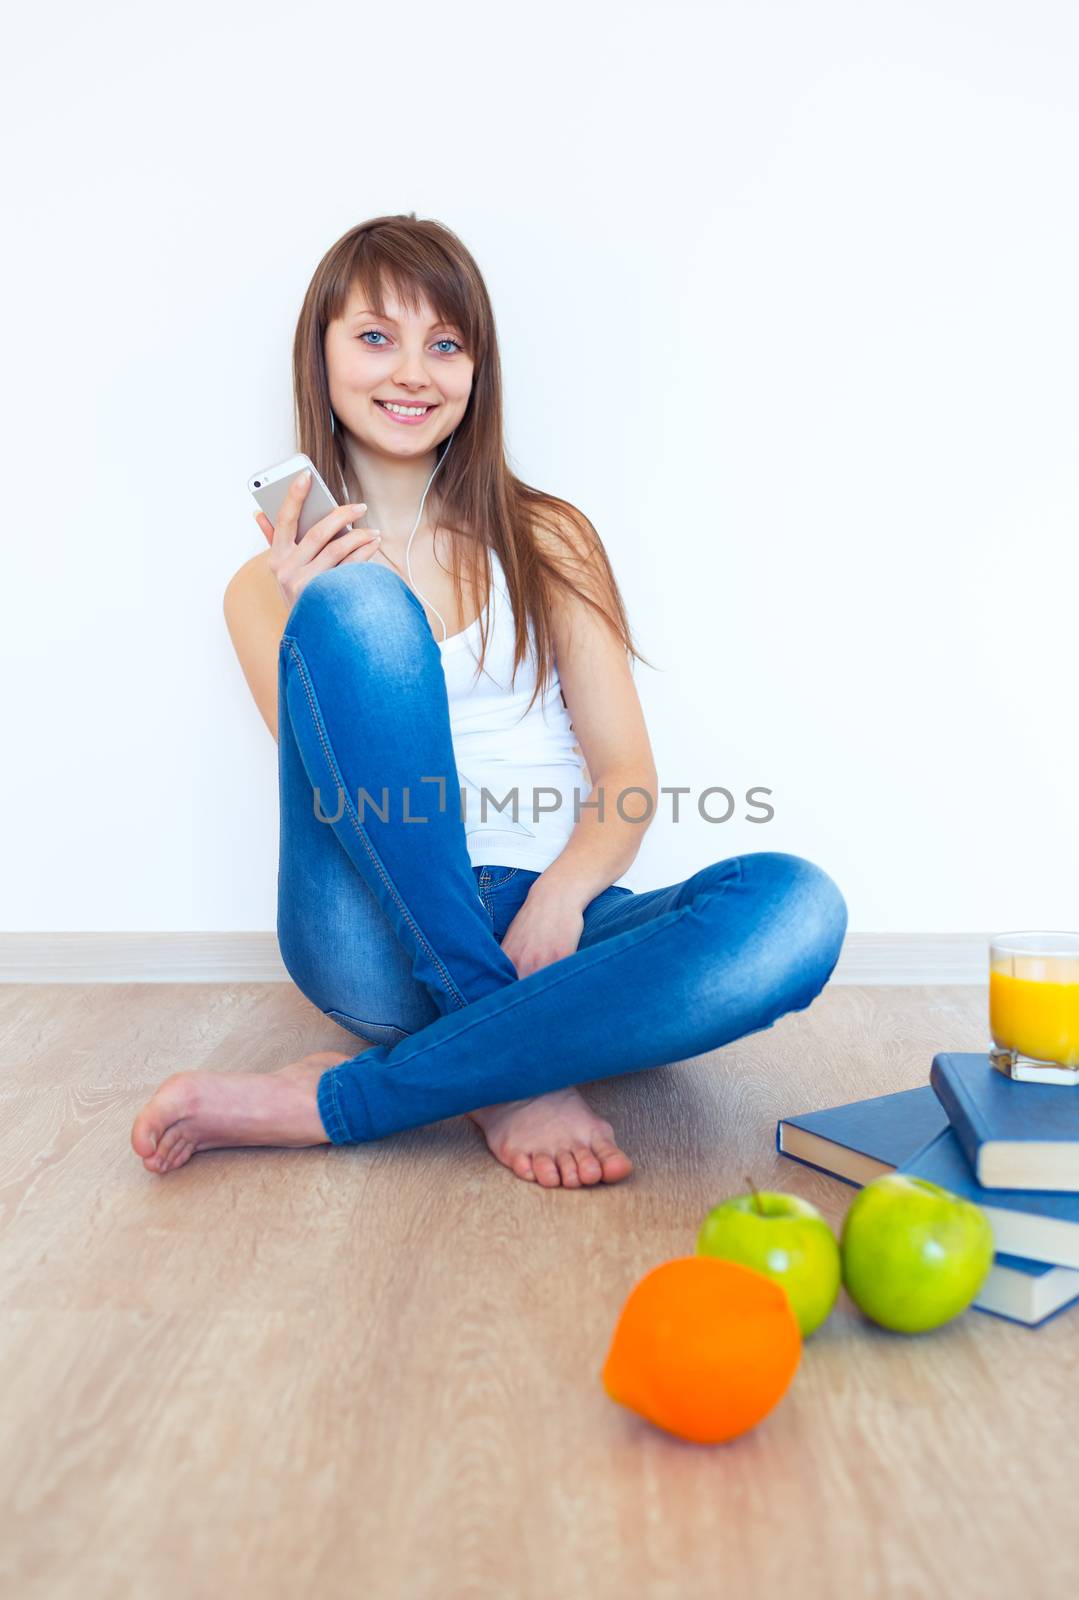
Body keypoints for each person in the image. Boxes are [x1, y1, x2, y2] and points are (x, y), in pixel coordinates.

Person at [131, 212, 848, 1188]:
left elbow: (627, 776)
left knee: (794, 908)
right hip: (376, 924)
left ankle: (352, 1093)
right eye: (376, 337)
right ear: (322, 355)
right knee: (360, 611)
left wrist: (558, 896)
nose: (412, 373)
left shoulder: (548, 537)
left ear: (477, 370)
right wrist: (321, 618)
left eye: (445, 344)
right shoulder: (265, 587)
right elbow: (342, 805)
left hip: (548, 924)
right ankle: (498, 1051)